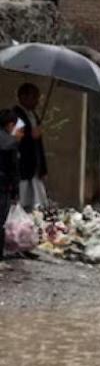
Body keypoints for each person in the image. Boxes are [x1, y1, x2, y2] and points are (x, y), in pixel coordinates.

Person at [14, 83, 48, 211]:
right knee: (22, 203)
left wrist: (43, 169)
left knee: (37, 205)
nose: (37, 102)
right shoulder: (15, 115)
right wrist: (29, 135)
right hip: (22, 167)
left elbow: (39, 145)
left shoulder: (34, 116)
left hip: (35, 167)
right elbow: (14, 139)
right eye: (34, 97)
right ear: (23, 97)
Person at [0, 109, 22, 260]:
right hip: (3, 186)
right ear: (10, 125)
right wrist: (15, 192)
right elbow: (13, 169)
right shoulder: (10, 143)